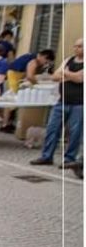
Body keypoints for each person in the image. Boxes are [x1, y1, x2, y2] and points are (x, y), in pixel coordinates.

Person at [31, 38, 84, 168]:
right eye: (75, 46)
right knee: (52, 128)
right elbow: (55, 76)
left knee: (75, 132)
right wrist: (71, 75)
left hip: (79, 103)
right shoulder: (68, 60)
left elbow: (80, 79)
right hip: (62, 101)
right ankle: (47, 156)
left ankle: (69, 159)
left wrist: (65, 73)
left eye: (80, 46)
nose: (76, 48)